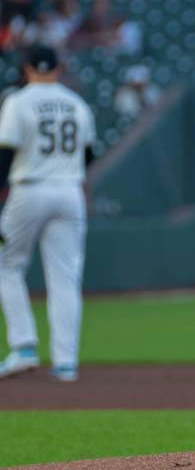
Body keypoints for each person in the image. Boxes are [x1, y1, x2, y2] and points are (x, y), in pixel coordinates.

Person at [0, 45, 95, 382]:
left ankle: (24, 346)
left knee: (6, 265)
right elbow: (87, 156)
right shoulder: (76, 103)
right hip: (70, 191)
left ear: (26, 68)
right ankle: (66, 363)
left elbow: (6, 155)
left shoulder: (18, 101)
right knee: (65, 277)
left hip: (29, 187)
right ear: (58, 68)